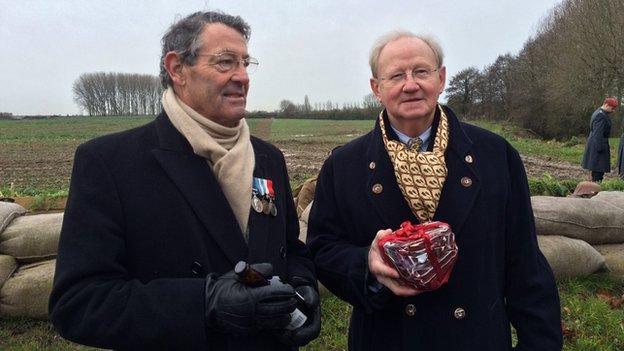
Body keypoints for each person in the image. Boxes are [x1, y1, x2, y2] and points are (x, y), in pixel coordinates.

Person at [49, 11, 319, 350]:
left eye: (246, 63)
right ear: (177, 69)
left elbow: (292, 250)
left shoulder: (267, 158)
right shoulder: (110, 162)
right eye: (225, 63)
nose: (242, 76)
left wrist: (302, 285)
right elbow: (78, 303)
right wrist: (203, 303)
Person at [306, 31, 562, 350]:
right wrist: (366, 265)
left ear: (440, 79)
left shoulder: (495, 155)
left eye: (421, 72)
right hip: (387, 338)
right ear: (377, 88)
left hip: (475, 339)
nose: (410, 84)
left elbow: (524, 261)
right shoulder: (344, 166)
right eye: (397, 75)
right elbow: (321, 250)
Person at [581, 97, 619, 182]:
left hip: (596, 145)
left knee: (597, 172)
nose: (613, 110)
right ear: (606, 105)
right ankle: (595, 191)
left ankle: (594, 189)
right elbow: (598, 134)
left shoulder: (599, 112)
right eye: (612, 108)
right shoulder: (600, 116)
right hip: (598, 148)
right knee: (598, 173)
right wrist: (600, 149)